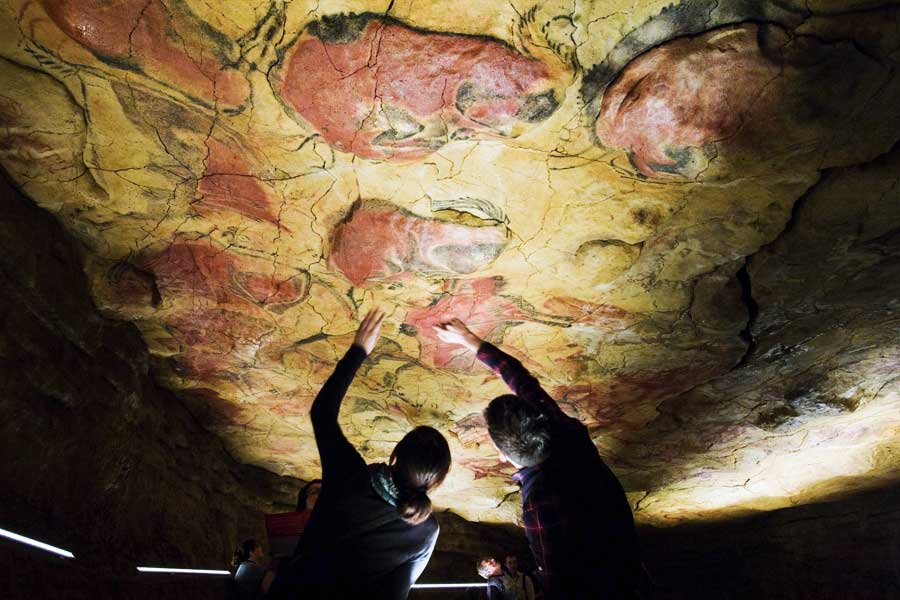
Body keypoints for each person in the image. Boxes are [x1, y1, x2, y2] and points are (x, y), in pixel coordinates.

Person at [435, 319, 640, 599]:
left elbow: (555, 574)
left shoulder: (538, 503)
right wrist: (470, 340)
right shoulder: (565, 430)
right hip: (622, 553)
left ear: (502, 455)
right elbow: (522, 381)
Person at [267, 309, 452, 600]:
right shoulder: (426, 531)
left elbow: (322, 412)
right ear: (435, 483)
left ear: (394, 457)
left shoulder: (349, 474)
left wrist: (359, 349)